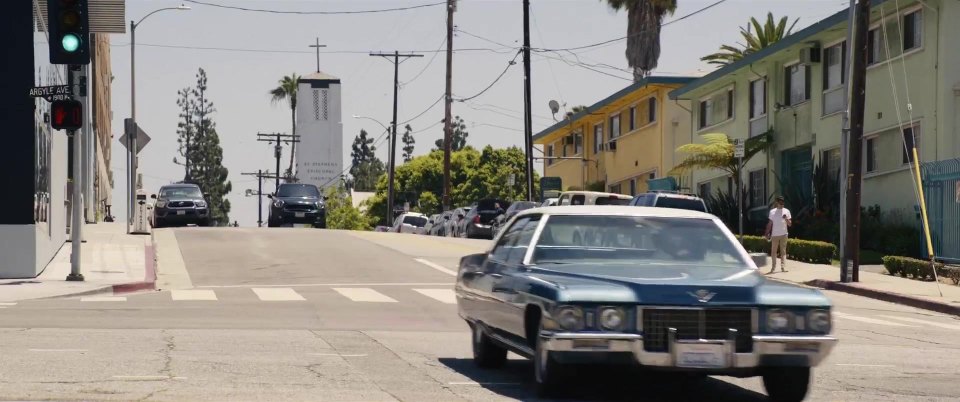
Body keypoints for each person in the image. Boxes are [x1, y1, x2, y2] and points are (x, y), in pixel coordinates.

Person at [764, 196, 792, 273]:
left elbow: (790, 224)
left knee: (783, 251)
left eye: (783, 202)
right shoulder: (772, 212)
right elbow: (770, 223)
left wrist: (786, 218)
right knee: (773, 252)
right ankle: (773, 268)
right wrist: (767, 233)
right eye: (780, 202)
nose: (782, 204)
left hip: (784, 234)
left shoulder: (787, 211)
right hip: (775, 235)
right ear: (777, 203)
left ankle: (783, 267)